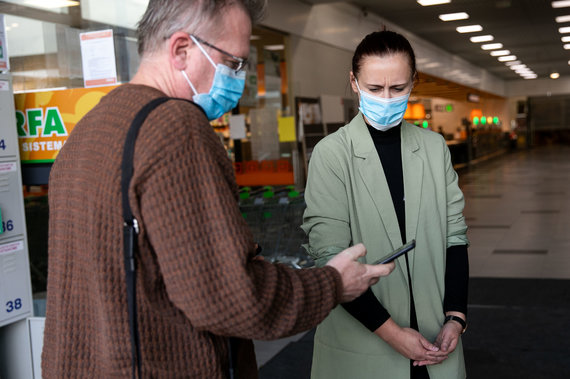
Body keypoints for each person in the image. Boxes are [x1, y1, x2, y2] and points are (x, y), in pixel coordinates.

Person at [41, 1, 396, 378]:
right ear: (181, 49)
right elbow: (232, 299)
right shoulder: (175, 127)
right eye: (232, 63)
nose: (238, 78)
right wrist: (332, 283)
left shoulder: (89, 129)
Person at [302, 30, 470, 379]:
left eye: (398, 88)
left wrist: (455, 317)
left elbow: (455, 238)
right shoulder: (332, 154)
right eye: (375, 89)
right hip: (363, 349)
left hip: (435, 342)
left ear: (413, 83)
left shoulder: (433, 147)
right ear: (354, 82)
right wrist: (394, 335)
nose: (386, 99)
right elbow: (331, 260)